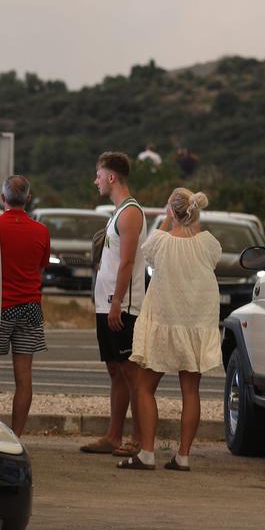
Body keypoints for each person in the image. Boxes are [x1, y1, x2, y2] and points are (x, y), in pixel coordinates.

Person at [119, 187, 221, 471]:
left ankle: (147, 452)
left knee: (144, 386)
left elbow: (149, 250)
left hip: (165, 322)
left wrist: (167, 221)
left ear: (171, 212)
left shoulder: (160, 242)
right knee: (191, 390)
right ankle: (183, 455)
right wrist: (190, 221)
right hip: (196, 322)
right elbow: (208, 255)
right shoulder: (208, 243)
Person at [79, 152, 148, 457]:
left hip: (122, 305)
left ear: (111, 177)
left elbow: (128, 261)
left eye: (98, 174)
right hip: (107, 304)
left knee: (131, 372)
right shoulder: (118, 212)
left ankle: (139, 439)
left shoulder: (131, 212)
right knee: (115, 370)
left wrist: (118, 300)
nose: (95, 180)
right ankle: (114, 436)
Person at [0, 174, 50, 435]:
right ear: (28, 199)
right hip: (30, 307)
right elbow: (41, 266)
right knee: (24, 377)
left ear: (2, 198)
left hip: (0, 307)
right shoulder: (41, 230)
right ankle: (16, 435)